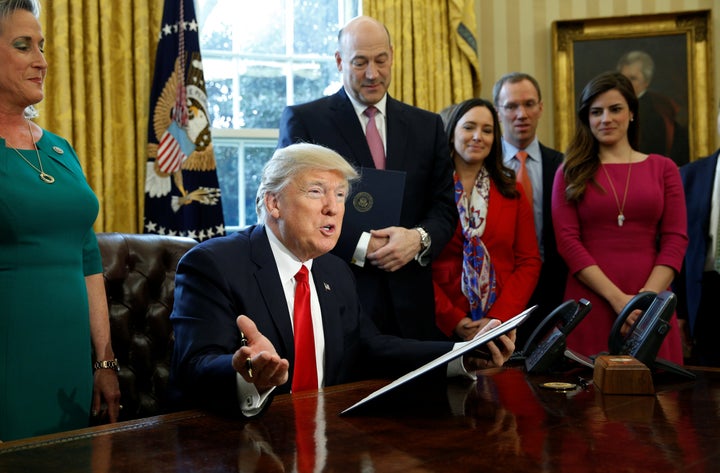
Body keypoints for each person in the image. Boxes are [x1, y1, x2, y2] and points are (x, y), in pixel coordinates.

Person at [169, 143, 516, 416]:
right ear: (274, 203)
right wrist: (247, 372)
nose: (333, 208)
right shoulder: (212, 264)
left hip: (327, 436)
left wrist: (462, 354)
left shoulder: (334, 270)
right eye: (317, 192)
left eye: (339, 195)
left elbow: (369, 349)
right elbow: (194, 366)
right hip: (239, 439)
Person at [277, 15, 456, 341]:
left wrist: (418, 238)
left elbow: (444, 209)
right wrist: (362, 246)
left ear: (392, 55)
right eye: (360, 63)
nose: (372, 74)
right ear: (339, 61)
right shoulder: (306, 122)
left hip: (412, 305)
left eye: (380, 60)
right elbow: (296, 213)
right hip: (338, 298)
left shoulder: (427, 126)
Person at [0, 0, 120, 441]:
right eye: (23, 46)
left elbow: (88, 259)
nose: (42, 61)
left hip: (68, 360)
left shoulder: (60, 149)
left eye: (42, 46)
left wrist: (104, 362)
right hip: (11, 359)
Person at [551, 71, 687, 364]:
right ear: (586, 118)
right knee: (585, 400)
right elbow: (567, 242)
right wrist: (619, 300)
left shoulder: (664, 169)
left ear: (632, 113)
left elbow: (676, 240)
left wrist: (644, 303)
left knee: (659, 399)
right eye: (596, 112)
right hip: (591, 298)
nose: (605, 119)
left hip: (652, 302)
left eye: (615, 109)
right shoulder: (569, 172)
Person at [432, 98, 541, 341]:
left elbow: (529, 261)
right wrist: (454, 320)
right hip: (440, 324)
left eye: (487, 130)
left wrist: (498, 320)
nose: (478, 136)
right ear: (451, 134)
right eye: (469, 127)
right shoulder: (429, 189)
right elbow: (418, 266)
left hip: (499, 326)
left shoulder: (512, 190)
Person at [492, 72, 567, 347]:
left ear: (541, 108)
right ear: (498, 112)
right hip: (499, 289)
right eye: (511, 106)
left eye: (529, 104)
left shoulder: (563, 165)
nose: (521, 114)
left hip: (553, 288)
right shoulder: (483, 166)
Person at [675, 103, 720, 366]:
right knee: (707, 393)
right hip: (706, 297)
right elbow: (677, 247)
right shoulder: (690, 176)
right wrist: (680, 311)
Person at [617, 50, 689, 167]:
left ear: (647, 82)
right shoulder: (614, 106)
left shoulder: (655, 111)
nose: (625, 84)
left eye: (633, 78)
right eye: (622, 79)